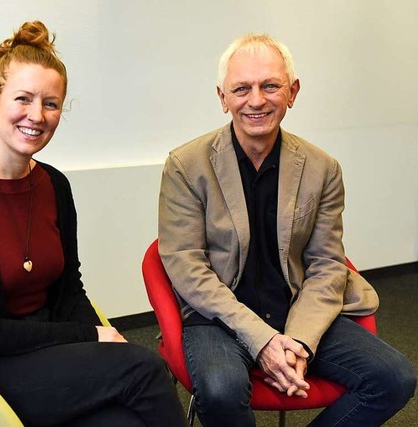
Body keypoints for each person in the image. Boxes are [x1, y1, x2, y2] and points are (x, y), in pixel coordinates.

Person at [0, 21, 188, 427]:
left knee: (125, 419)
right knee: (146, 370)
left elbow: (68, 293)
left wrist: (106, 336)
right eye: (23, 99)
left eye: (51, 103)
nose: (37, 115)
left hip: (48, 356)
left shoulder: (54, 186)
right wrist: (88, 339)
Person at [158, 33, 416, 426]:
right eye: (241, 88)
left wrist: (299, 341)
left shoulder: (322, 168)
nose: (256, 100)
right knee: (221, 390)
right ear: (222, 97)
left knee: (396, 378)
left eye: (270, 86)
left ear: (292, 92)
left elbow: (328, 264)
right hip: (221, 318)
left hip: (297, 309)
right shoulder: (185, 166)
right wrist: (261, 340)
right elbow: (186, 267)